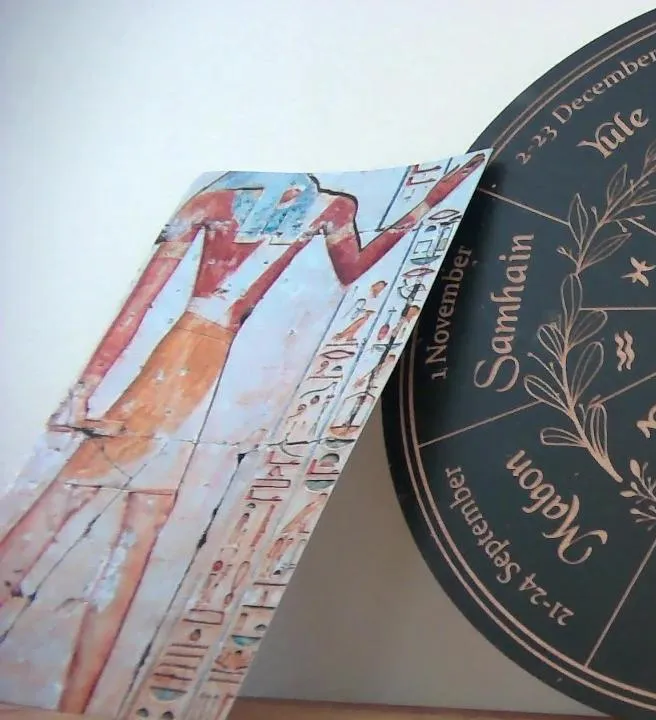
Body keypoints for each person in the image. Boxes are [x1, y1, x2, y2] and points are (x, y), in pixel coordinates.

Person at [0, 154, 485, 711]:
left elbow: (353, 269)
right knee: (83, 509)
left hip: (211, 370)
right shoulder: (218, 203)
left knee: (136, 529)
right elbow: (140, 306)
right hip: (181, 361)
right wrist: (84, 391)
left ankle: (80, 704)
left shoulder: (328, 207)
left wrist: (428, 205)